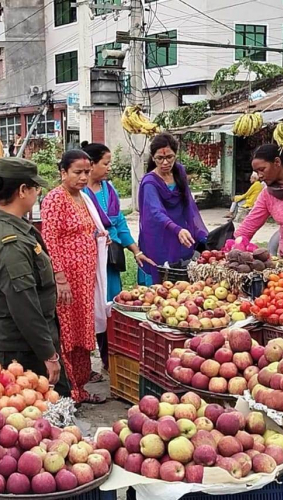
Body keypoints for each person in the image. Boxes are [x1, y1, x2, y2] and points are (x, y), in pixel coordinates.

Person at [0, 157, 71, 395]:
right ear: (23, 190)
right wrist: (48, 354)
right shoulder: (10, 242)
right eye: (35, 188)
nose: (37, 193)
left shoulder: (14, 227)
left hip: (28, 343)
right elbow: (25, 306)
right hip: (21, 349)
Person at [81, 143, 155, 381]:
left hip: (110, 261)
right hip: (88, 261)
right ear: (90, 165)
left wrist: (135, 250)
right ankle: (83, 364)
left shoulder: (109, 189)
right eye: (106, 163)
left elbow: (120, 224)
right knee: (87, 310)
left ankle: (109, 358)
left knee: (110, 307)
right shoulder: (80, 194)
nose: (109, 167)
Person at [41, 150, 109, 405]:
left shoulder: (83, 197)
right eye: (77, 172)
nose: (83, 177)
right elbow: (50, 240)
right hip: (67, 280)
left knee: (82, 331)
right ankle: (70, 390)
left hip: (85, 279)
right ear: (63, 173)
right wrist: (60, 278)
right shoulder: (54, 199)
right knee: (68, 333)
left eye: (86, 172)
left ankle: (80, 385)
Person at [138, 133, 208, 285]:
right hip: (160, 235)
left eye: (169, 157)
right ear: (152, 157)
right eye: (159, 158)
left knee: (182, 278)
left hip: (181, 232)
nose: (165, 162)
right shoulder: (150, 182)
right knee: (161, 277)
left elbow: (188, 203)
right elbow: (155, 212)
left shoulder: (179, 172)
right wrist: (176, 229)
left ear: (176, 154)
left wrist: (199, 231)